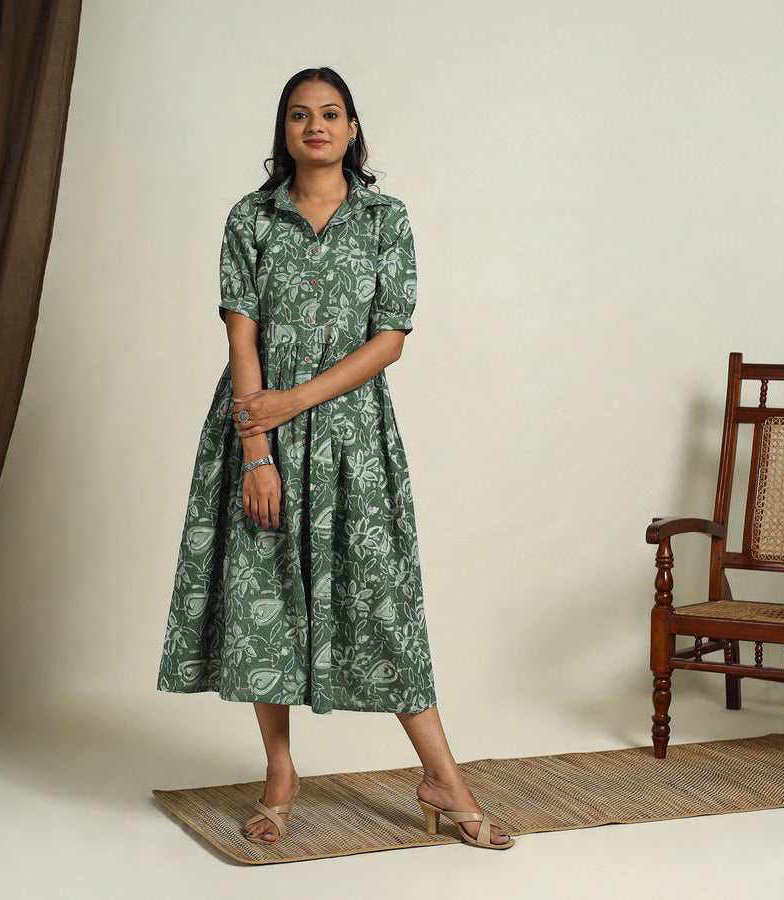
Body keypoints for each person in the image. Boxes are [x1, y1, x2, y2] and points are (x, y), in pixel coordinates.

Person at [158, 67, 513, 850]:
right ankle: (280, 774)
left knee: (384, 601)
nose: (314, 125)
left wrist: (294, 401)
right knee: (266, 600)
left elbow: (390, 340)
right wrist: (257, 450)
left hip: (352, 435)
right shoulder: (251, 218)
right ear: (283, 131)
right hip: (258, 430)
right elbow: (242, 335)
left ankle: (443, 778)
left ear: (353, 128)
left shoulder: (386, 218)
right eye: (298, 115)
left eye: (330, 113)